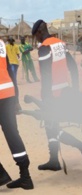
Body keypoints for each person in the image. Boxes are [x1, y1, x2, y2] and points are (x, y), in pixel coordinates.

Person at [31, 19, 82, 171]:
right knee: (51, 126)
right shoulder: (59, 44)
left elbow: (46, 76)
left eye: (35, 37)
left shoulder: (45, 48)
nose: (36, 40)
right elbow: (72, 67)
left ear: (39, 32)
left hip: (52, 95)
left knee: (52, 126)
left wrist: (46, 99)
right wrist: (76, 90)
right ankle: (53, 160)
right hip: (65, 91)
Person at [0, 38, 34, 189]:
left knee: (12, 133)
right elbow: (9, 69)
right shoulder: (1, 44)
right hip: (8, 93)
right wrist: (16, 98)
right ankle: (25, 177)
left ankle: (1, 176)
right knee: (12, 133)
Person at [6, 37, 22, 114]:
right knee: (14, 76)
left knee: (12, 77)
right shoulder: (16, 46)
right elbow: (18, 54)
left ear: (8, 41)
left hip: (10, 63)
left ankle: (13, 83)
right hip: (15, 63)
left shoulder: (6, 46)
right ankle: (14, 83)